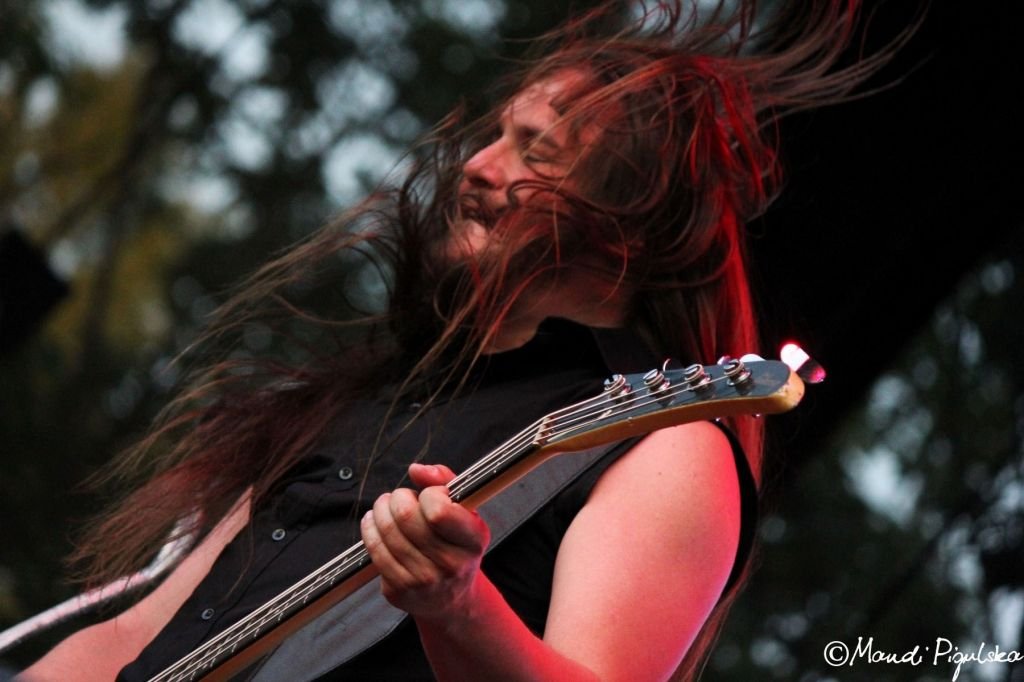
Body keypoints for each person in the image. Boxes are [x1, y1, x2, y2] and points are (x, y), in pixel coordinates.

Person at [16, 1, 910, 679]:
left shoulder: (669, 445)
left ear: (628, 227)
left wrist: (457, 607)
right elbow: (138, 635)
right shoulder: (380, 392)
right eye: (495, 137)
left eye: (535, 152)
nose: (478, 167)